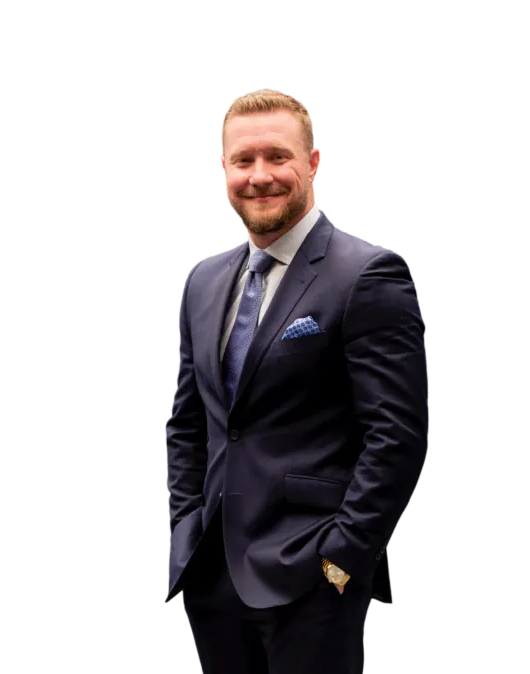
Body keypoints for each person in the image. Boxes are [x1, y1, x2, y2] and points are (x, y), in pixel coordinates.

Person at [165, 88, 430, 674]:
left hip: (312, 581)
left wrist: (341, 559)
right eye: (243, 160)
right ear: (224, 168)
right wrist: (184, 531)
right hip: (211, 577)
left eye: (277, 156)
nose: (260, 175)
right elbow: (189, 424)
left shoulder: (368, 275)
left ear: (312, 163)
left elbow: (396, 438)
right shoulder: (204, 280)